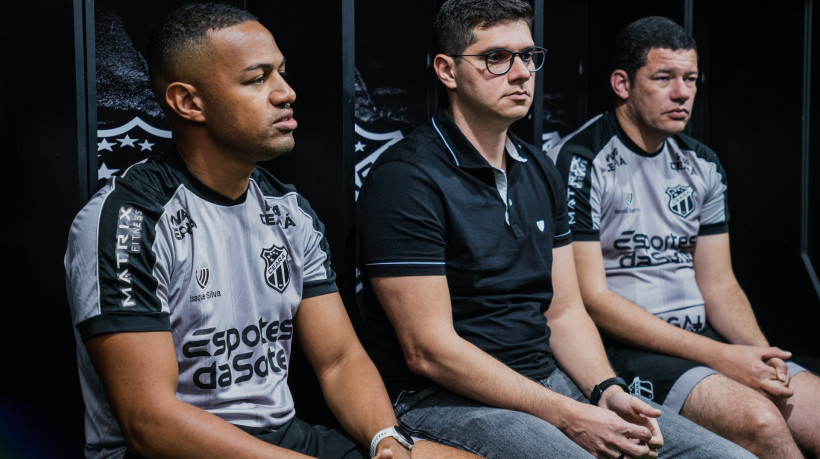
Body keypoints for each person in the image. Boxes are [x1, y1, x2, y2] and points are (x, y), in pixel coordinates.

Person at [64, 4, 480, 458]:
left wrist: (388, 441)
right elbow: (150, 422)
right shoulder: (130, 220)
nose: (286, 93)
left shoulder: (288, 210)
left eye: (282, 73)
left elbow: (339, 359)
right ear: (188, 102)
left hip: (283, 438)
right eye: (257, 79)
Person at [357, 1, 754, 458]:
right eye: (496, 57)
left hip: (545, 381)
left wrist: (606, 390)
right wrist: (567, 414)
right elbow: (430, 351)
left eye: (528, 56)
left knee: (729, 456)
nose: (521, 73)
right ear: (448, 71)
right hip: (443, 399)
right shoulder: (406, 178)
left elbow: (564, 313)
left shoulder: (539, 167)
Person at [549, 15, 820, 458]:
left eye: (690, 79)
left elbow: (719, 283)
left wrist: (758, 353)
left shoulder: (703, 164)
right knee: (761, 421)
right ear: (622, 84)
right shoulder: (581, 160)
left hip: (701, 337)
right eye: (664, 78)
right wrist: (721, 356)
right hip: (626, 350)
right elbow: (591, 298)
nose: (682, 93)